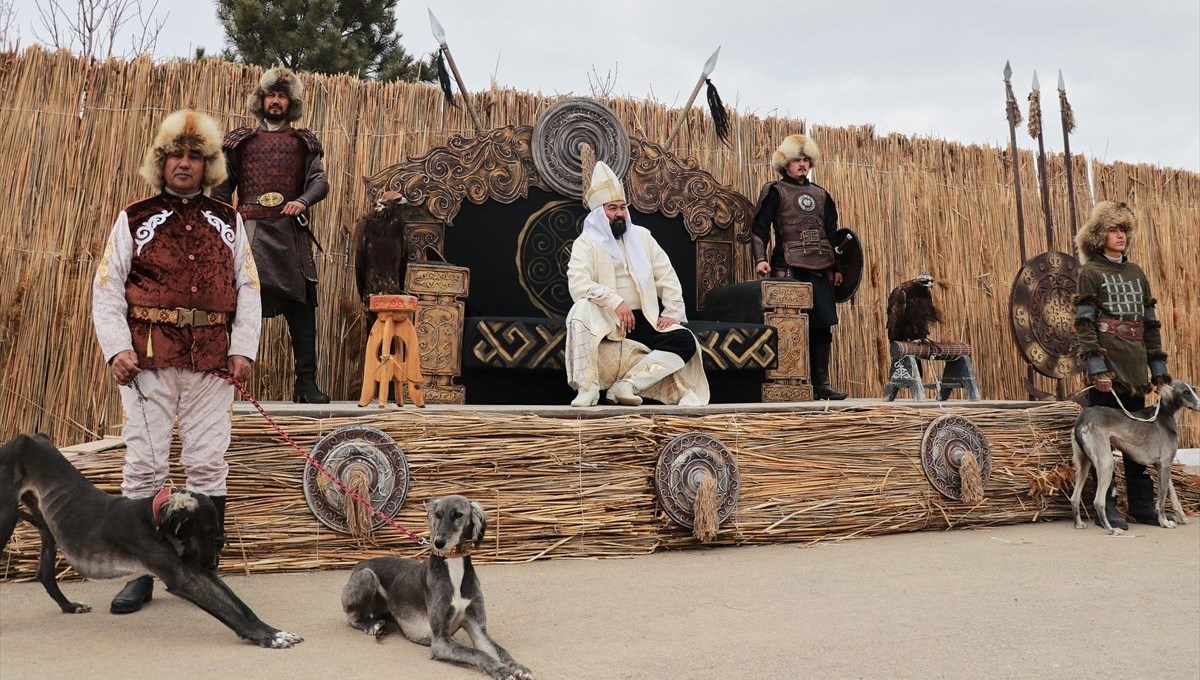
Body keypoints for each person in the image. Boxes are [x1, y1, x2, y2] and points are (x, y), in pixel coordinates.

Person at [92, 110, 261, 613]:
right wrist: (117, 347)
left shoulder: (228, 222)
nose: (184, 164)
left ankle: (202, 568)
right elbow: (106, 288)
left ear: (208, 165)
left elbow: (247, 288)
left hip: (211, 360)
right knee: (144, 463)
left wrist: (242, 349)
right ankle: (141, 571)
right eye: (175, 155)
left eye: (195, 156)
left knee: (208, 462)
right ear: (160, 161)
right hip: (148, 359)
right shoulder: (135, 217)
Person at [213, 66, 331, 403]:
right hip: (250, 234)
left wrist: (302, 201)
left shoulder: (302, 142)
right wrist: (229, 221)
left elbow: (319, 182)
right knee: (236, 306)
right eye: (271, 95)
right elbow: (222, 188)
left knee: (304, 304)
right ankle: (225, 384)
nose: (276, 101)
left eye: (282, 96)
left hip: (290, 234)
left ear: (290, 102)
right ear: (261, 100)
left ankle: (306, 384)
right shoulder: (241, 142)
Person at [565, 161, 709, 407]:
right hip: (606, 319)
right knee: (579, 310)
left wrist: (672, 312)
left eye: (622, 207)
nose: (620, 213)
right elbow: (578, 284)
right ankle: (587, 388)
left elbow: (667, 276)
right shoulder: (586, 242)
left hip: (643, 319)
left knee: (684, 340)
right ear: (600, 213)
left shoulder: (642, 237)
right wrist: (615, 301)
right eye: (612, 208)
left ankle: (628, 385)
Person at [1073, 200, 1171, 529]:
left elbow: (1150, 324)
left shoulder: (1136, 273)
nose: (1120, 236)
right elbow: (1085, 325)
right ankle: (1108, 505)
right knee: (1105, 440)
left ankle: (1143, 505)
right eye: (1114, 230)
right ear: (1099, 236)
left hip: (1135, 367)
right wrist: (1097, 368)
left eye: (1124, 230)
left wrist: (1157, 372)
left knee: (1140, 437)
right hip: (1109, 368)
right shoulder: (1090, 272)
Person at [751, 133, 847, 400]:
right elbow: (759, 230)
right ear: (785, 164)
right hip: (787, 267)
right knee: (788, 326)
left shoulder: (821, 195)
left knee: (822, 326)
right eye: (796, 160)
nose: (802, 165)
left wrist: (836, 268)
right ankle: (788, 385)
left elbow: (832, 234)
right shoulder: (774, 191)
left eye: (806, 160)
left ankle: (822, 384)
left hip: (820, 268)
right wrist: (760, 259)